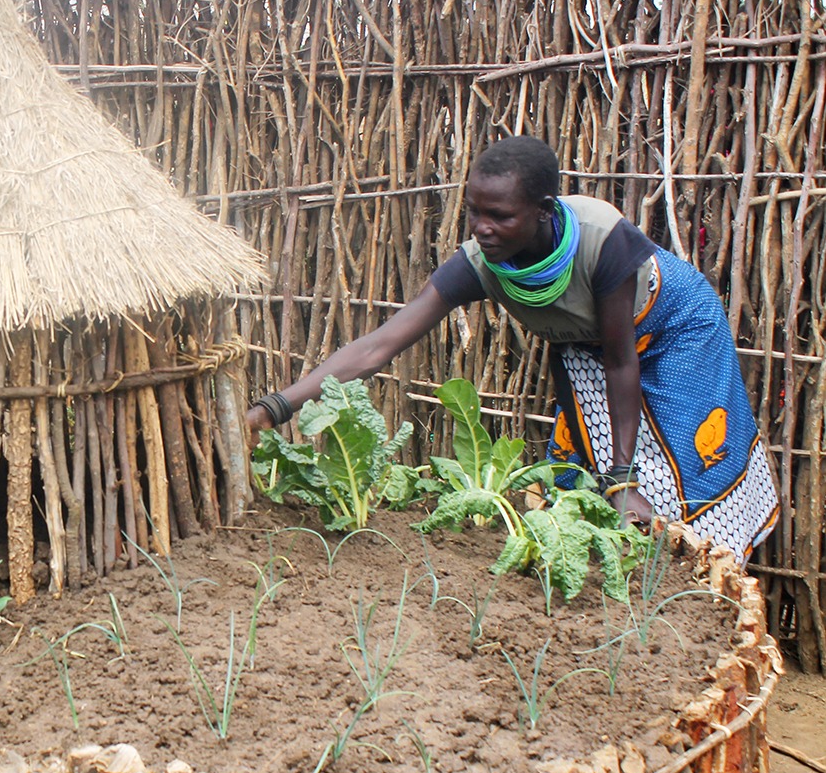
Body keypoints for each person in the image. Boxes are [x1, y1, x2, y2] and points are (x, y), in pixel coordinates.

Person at [246, 136, 778, 565]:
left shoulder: (602, 241)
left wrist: (623, 480)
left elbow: (622, 362)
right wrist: (276, 408)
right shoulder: (479, 262)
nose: (482, 228)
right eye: (475, 211)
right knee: (583, 476)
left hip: (674, 332)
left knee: (682, 470)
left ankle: (705, 591)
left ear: (544, 211)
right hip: (592, 352)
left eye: (499, 215)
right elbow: (379, 346)